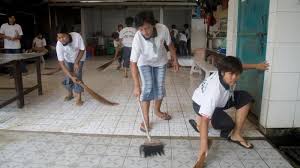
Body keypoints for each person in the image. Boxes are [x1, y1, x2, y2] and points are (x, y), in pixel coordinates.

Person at [190, 56, 269, 162]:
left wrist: (256, 66)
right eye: (231, 74)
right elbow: (206, 120)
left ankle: (235, 135)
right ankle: (198, 124)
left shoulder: (224, 70)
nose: (234, 77)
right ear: (223, 72)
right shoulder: (214, 92)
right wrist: (203, 149)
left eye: (237, 74)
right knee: (227, 124)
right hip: (200, 103)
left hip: (223, 99)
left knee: (246, 98)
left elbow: (240, 67)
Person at [130, 10, 179, 132]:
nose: (144, 32)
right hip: (144, 63)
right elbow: (133, 63)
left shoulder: (163, 29)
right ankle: (146, 119)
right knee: (147, 87)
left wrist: (175, 60)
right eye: (141, 29)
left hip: (160, 61)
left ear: (153, 24)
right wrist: (136, 85)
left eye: (146, 28)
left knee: (160, 87)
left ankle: (157, 110)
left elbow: (170, 45)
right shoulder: (137, 38)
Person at [56, 26, 86, 106]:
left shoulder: (76, 37)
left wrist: (76, 62)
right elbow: (61, 64)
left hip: (80, 57)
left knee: (77, 75)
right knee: (68, 76)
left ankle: (79, 97)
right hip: (68, 59)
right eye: (59, 37)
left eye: (63, 37)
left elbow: (82, 49)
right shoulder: (59, 45)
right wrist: (71, 76)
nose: (61, 39)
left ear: (68, 34)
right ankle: (70, 94)